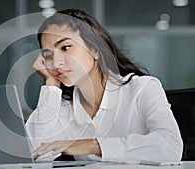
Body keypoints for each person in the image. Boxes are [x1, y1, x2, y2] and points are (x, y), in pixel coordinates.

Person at [25, 8, 183, 163]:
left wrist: (93, 146)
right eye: (48, 55)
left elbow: (171, 147)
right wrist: (51, 84)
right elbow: (34, 153)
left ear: (95, 49)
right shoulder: (64, 109)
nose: (56, 62)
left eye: (65, 47)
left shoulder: (142, 88)